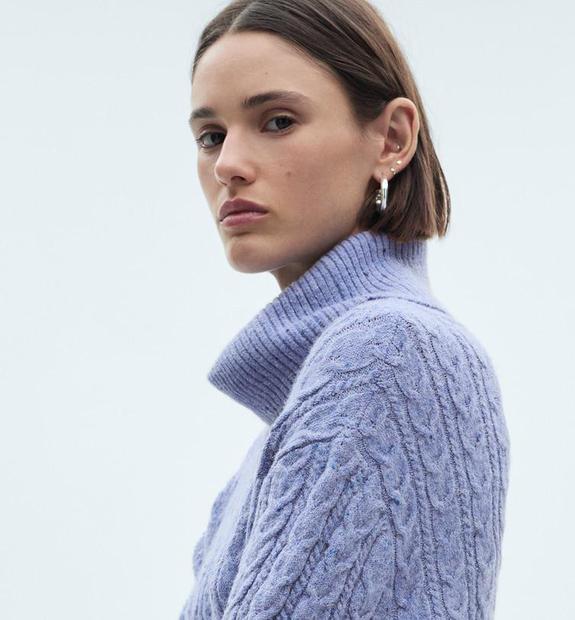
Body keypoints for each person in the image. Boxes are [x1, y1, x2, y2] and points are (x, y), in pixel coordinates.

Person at [180, 1, 511, 618]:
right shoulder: (316, 399)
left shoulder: (388, 350)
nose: (227, 166)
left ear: (392, 139)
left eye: (278, 121)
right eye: (211, 136)